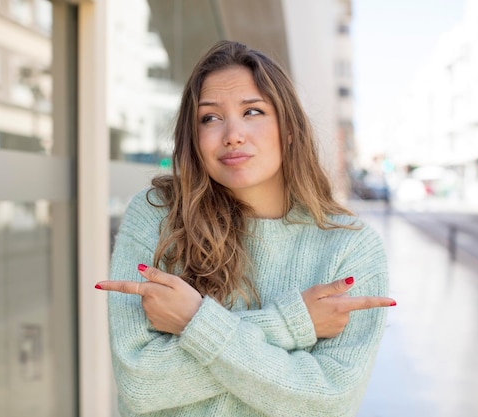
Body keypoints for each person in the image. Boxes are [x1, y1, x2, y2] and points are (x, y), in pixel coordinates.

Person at [95, 40, 396, 417]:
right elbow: (141, 383)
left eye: (252, 111)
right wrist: (291, 324)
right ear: (194, 137)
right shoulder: (157, 216)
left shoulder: (350, 247)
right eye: (210, 117)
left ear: (288, 128)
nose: (232, 134)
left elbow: (328, 400)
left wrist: (192, 321)